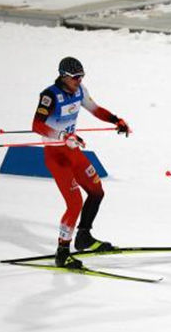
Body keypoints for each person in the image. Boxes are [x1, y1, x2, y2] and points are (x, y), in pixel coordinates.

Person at [32, 57, 130, 269]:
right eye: (76, 77)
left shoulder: (79, 90)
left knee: (97, 191)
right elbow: (37, 125)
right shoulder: (49, 95)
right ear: (64, 76)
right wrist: (62, 136)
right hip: (56, 155)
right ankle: (62, 253)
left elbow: (95, 109)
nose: (79, 80)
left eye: (81, 76)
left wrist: (116, 120)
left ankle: (84, 237)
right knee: (74, 202)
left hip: (73, 151)